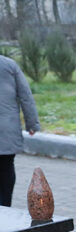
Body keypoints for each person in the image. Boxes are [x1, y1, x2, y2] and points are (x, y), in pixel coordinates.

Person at [0, 55, 39, 206]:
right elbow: (25, 96)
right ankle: (5, 209)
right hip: (7, 129)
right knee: (6, 169)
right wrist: (32, 123)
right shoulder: (9, 65)